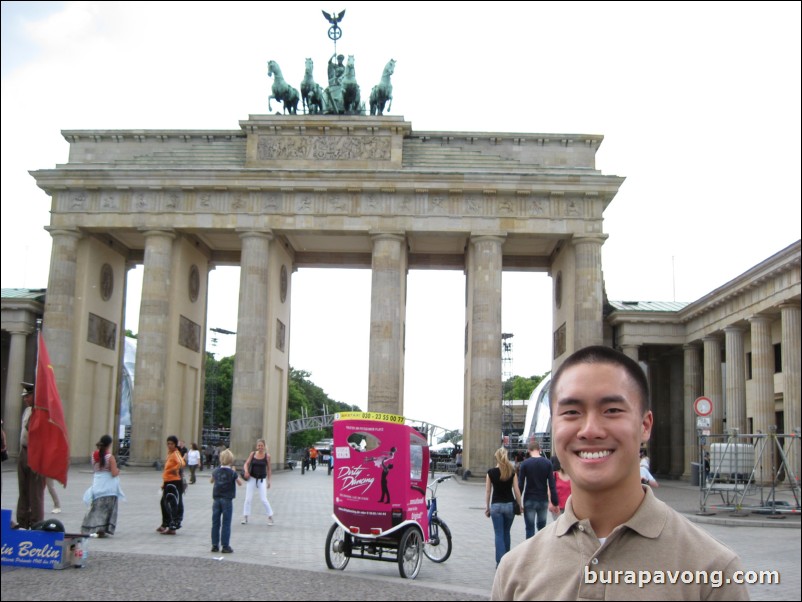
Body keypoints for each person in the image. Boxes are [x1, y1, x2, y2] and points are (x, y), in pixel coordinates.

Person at [492, 346, 749, 600]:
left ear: (645, 425)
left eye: (612, 410)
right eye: (571, 412)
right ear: (555, 425)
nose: (590, 430)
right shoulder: (514, 572)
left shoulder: (714, 573)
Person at [485, 447, 523, 567]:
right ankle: (507, 562)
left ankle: (500, 563)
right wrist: (520, 505)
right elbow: (517, 490)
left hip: (496, 506)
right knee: (506, 532)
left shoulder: (491, 472)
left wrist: (487, 507)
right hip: (509, 506)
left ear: (496, 458)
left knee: (499, 534)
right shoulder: (512, 472)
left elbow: (488, 492)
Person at [81, 434, 125, 537]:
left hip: (97, 484)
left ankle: (89, 527)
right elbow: (114, 473)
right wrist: (118, 470)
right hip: (109, 487)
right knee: (107, 509)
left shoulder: (93, 455)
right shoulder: (110, 457)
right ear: (109, 444)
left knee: (96, 508)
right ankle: (102, 530)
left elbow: (95, 468)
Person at [16, 382, 46, 529]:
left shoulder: (42, 412)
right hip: (24, 451)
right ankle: (22, 522)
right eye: (24, 396)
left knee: (35, 493)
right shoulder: (28, 411)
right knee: (23, 490)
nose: (25, 399)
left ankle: (36, 524)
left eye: (28, 396)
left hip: (36, 454)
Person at [517, 440, 558, 538]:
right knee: (541, 528)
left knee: (529, 528)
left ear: (528, 450)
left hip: (529, 499)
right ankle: (540, 550)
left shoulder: (525, 464)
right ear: (540, 450)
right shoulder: (547, 463)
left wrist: (518, 502)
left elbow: (521, 484)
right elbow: (552, 484)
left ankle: (530, 551)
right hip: (543, 499)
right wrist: (555, 501)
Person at [210, 448, 242, 553]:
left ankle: (214, 545)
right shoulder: (232, 473)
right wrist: (235, 474)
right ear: (231, 460)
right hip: (227, 499)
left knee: (215, 522)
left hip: (216, 499)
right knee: (226, 523)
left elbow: (211, 480)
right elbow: (239, 483)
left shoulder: (216, 471)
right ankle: (225, 546)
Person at [241, 438, 274, 525]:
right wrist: (246, 471)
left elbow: (269, 469)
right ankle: (245, 516)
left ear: (264, 446)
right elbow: (246, 464)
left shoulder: (267, 456)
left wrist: (269, 481)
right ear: (256, 446)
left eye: (262, 446)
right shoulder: (252, 454)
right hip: (252, 478)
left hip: (262, 479)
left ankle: (270, 517)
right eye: (259, 446)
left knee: (264, 499)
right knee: (248, 498)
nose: (260, 447)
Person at [157, 435, 185, 535]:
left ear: (175, 444)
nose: (169, 445)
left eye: (171, 444)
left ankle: (172, 526)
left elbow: (182, 463)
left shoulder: (175, 453)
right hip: (168, 482)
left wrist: (174, 469)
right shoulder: (169, 454)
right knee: (164, 503)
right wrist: (163, 483)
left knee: (172, 504)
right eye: (168, 443)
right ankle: (166, 523)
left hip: (174, 482)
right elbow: (166, 470)